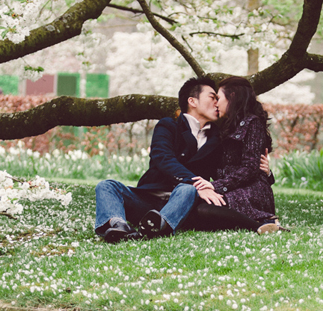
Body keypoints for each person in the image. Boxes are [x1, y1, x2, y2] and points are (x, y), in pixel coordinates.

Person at [93, 76, 224, 242]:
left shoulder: (217, 139)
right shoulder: (168, 126)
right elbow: (163, 158)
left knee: (187, 189)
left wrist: (265, 173)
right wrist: (196, 182)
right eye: (212, 98)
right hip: (148, 200)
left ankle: (160, 226)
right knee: (106, 186)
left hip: (182, 204)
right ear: (193, 101)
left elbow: (228, 171)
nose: (217, 103)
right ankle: (119, 226)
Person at [186, 76, 282, 234]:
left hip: (250, 190)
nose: (216, 103)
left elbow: (250, 168)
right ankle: (258, 223)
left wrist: (215, 186)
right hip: (230, 188)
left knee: (202, 210)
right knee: (193, 207)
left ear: (232, 97)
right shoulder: (223, 125)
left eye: (218, 98)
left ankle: (263, 222)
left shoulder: (253, 123)